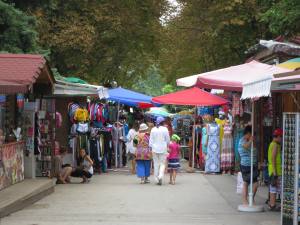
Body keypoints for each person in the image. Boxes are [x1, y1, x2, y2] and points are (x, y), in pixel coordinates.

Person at [238, 125, 258, 205]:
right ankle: (245, 200)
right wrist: (250, 140)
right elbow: (245, 146)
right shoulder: (242, 140)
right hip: (246, 165)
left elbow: (255, 151)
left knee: (256, 184)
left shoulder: (250, 141)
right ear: (249, 133)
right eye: (252, 134)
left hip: (253, 164)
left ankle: (251, 198)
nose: (253, 136)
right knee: (246, 182)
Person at [149, 116, 170, 185]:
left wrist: (150, 148)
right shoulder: (165, 129)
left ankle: (156, 179)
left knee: (156, 164)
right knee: (162, 164)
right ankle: (160, 176)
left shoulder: (153, 129)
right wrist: (168, 146)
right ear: (163, 122)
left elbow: (150, 141)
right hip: (163, 149)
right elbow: (168, 140)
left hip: (154, 149)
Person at [268, 128, 283, 211]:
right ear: (277, 136)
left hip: (272, 169)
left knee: (273, 188)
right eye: (281, 137)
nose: (281, 139)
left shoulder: (272, 144)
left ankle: (272, 204)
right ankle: (280, 205)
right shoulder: (275, 145)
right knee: (280, 188)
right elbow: (273, 158)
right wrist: (275, 172)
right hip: (276, 170)